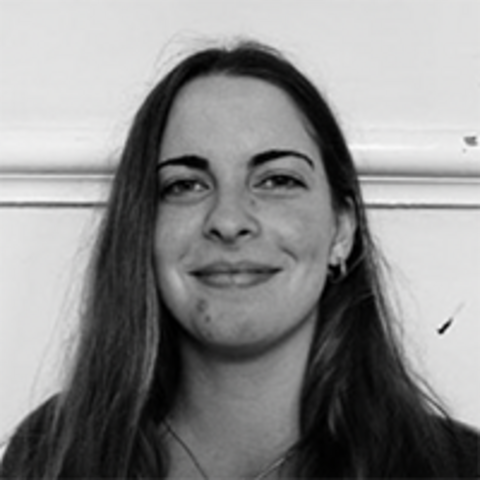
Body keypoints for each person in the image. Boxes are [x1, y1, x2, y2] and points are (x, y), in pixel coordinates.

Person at [1, 40, 479, 480]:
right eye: (185, 185)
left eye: (277, 180)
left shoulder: (456, 466)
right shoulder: (53, 456)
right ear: (142, 228)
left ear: (342, 229)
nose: (229, 221)